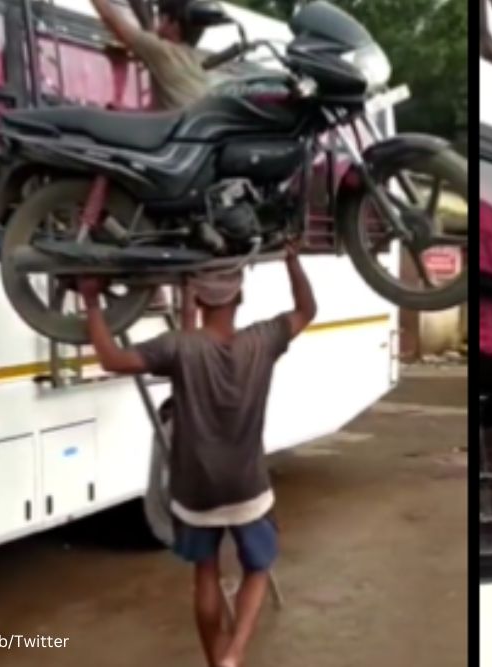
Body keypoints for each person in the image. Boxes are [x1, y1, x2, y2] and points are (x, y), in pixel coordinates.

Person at [79, 242, 317, 667]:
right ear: (239, 297)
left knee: (205, 572)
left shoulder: (178, 347)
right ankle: (234, 655)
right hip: (248, 486)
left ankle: (214, 661)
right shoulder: (264, 340)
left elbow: (112, 359)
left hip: (195, 492)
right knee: (257, 571)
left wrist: (93, 301)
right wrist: (291, 261)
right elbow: (306, 309)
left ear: (198, 298)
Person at [89, 0, 210, 110]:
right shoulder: (195, 62)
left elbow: (113, 21)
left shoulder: (163, 51)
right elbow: (158, 112)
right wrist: (124, 111)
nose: (158, 27)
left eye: (162, 19)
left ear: (174, 26)